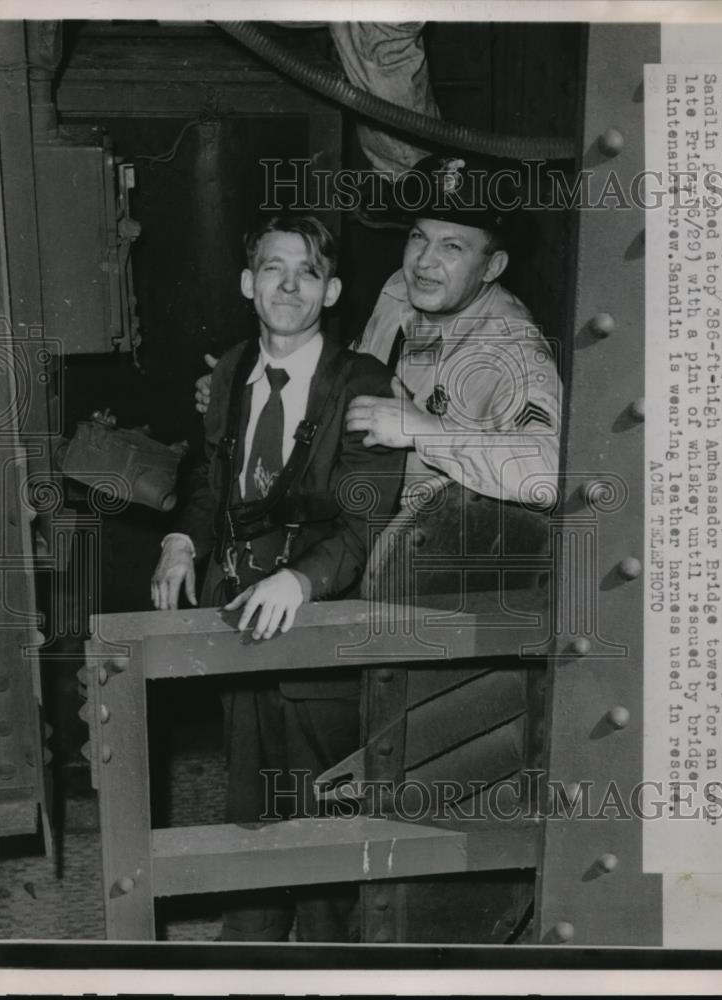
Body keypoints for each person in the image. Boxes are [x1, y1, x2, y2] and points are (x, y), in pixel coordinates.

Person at [151, 214, 405, 942]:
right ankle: (251, 941)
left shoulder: (364, 382)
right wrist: (179, 542)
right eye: (272, 268)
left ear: (331, 291)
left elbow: (363, 526)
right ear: (247, 283)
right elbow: (212, 480)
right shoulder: (232, 370)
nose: (288, 285)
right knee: (250, 796)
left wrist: (298, 583)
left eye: (306, 272)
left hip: (321, 620)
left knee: (321, 803)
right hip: (239, 613)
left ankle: (331, 956)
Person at [197, 154, 561, 504]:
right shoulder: (399, 291)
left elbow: (548, 473)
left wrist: (422, 430)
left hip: (425, 539)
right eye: (419, 237)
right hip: (350, 496)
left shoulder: (515, 348)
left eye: (451, 246)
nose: (424, 262)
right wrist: (249, 385)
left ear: (492, 267)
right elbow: (342, 377)